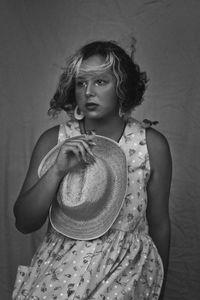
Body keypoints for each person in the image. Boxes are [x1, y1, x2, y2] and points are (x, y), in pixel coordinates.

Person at [13, 40, 172, 300]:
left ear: (122, 87)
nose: (88, 92)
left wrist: (158, 290)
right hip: (59, 275)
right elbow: (24, 222)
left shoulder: (150, 145)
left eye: (100, 82)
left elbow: (160, 225)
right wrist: (57, 170)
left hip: (126, 275)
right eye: (81, 83)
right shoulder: (54, 139)